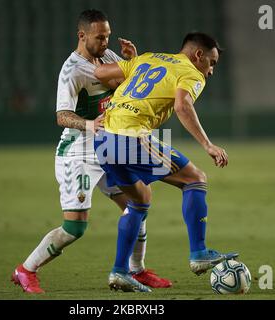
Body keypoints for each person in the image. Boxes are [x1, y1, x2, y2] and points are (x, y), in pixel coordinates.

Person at [11, 9, 171, 294]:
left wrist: (132, 61)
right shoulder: (72, 70)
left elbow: (131, 86)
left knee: (137, 204)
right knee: (75, 228)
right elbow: (62, 116)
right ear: (82, 35)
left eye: (108, 36)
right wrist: (88, 124)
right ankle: (25, 270)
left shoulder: (108, 58)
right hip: (79, 153)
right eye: (100, 37)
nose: (105, 42)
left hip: (107, 147)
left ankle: (137, 270)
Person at [93, 32, 239, 292]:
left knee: (139, 201)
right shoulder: (191, 72)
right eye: (212, 63)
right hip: (131, 137)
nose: (211, 71)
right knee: (195, 178)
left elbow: (101, 73)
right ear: (198, 55)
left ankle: (119, 272)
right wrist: (208, 145)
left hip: (102, 139)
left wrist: (133, 66)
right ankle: (199, 253)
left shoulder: (146, 59)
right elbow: (183, 106)